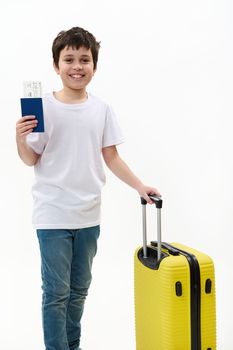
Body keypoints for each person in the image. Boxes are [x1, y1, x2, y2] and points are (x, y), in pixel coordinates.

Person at [16, 26, 161, 350]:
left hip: (88, 214)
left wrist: (139, 186)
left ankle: (73, 345)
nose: (77, 66)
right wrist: (19, 137)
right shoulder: (42, 106)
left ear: (94, 66)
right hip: (52, 214)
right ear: (56, 65)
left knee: (79, 289)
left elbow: (110, 155)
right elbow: (30, 158)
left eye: (85, 59)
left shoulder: (101, 109)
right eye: (69, 59)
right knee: (56, 292)